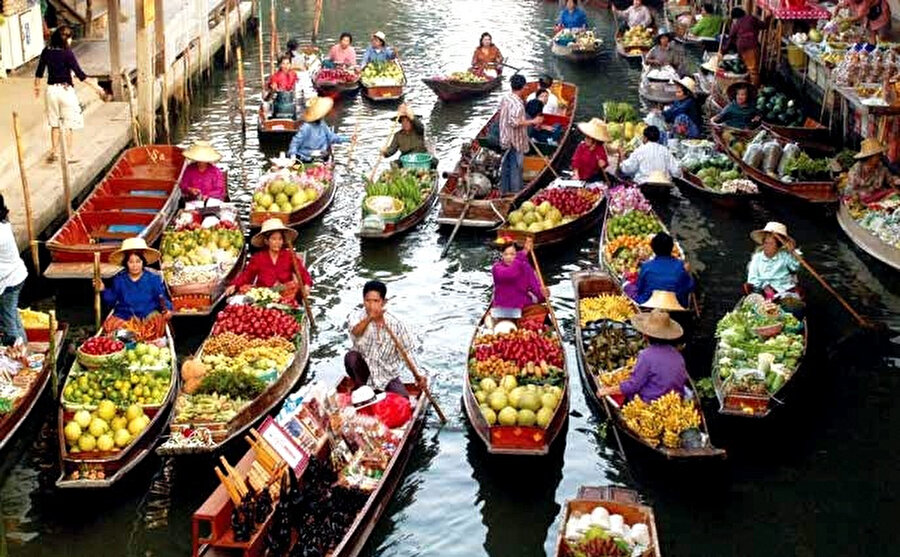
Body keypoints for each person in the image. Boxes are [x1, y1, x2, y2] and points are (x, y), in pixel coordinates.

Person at [34, 24, 107, 164]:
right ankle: (68, 155)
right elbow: (80, 75)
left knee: (54, 124)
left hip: (51, 91)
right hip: (65, 91)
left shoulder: (46, 51)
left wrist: (36, 87)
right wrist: (96, 88)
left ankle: (54, 151)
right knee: (69, 125)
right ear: (65, 40)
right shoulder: (67, 53)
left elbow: (39, 71)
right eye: (70, 38)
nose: (71, 41)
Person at [345, 280, 424, 397]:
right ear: (363, 300)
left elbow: (407, 353)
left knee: (403, 399)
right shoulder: (356, 316)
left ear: (383, 302)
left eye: (376, 301)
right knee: (351, 357)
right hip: (365, 374)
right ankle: (363, 388)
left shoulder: (395, 324)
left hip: (386, 376)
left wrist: (418, 374)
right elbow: (356, 332)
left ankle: (377, 392)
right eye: (367, 301)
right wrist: (370, 318)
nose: (371, 305)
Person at [595, 309, 687, 402]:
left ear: (646, 335)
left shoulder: (646, 355)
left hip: (652, 403)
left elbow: (633, 386)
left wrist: (607, 391)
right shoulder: (678, 355)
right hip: (676, 400)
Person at [94, 238, 172, 341]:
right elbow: (111, 299)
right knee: (111, 327)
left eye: (138, 261)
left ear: (142, 262)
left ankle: (143, 338)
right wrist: (103, 289)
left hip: (147, 317)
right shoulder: (119, 280)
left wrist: (168, 309)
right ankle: (130, 338)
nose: (135, 265)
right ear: (126, 263)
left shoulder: (153, 279)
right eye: (131, 262)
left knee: (156, 323)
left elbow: (161, 298)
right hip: (125, 317)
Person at [225, 218, 312, 299]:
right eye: (274, 239)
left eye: (280, 239)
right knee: (243, 288)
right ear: (267, 241)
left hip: (285, 292)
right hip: (264, 293)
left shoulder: (289, 256)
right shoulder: (258, 258)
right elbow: (247, 276)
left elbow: (302, 271)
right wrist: (234, 285)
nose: (277, 243)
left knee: (295, 285)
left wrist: (307, 285)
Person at [499, 74, 542, 195]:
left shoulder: (506, 98)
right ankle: (515, 192)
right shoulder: (517, 105)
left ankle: (504, 190)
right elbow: (515, 122)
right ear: (523, 87)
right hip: (515, 141)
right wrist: (533, 121)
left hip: (504, 137)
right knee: (516, 167)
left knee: (506, 167)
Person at [628, 233, 694, 309]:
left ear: (653, 248)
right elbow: (690, 286)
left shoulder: (646, 266)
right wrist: (687, 273)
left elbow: (640, 288)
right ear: (672, 247)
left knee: (627, 285)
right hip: (676, 306)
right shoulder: (680, 266)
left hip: (648, 304)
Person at [491, 237, 548, 317]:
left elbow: (535, 286)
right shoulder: (496, 268)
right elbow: (510, 274)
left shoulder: (525, 267)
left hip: (522, 306)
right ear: (502, 255)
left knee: (543, 310)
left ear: (516, 254)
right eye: (505, 254)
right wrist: (524, 252)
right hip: (502, 308)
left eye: (512, 254)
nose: (508, 257)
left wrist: (544, 294)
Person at [743, 222, 800, 299]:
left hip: (783, 289)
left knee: (791, 304)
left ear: (778, 246)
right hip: (762, 289)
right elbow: (752, 279)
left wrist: (792, 253)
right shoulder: (757, 258)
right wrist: (764, 286)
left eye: (771, 244)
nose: (767, 246)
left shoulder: (785, 256)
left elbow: (795, 268)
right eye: (765, 243)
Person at [0, 195, 28, 346]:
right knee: (12, 316)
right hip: (15, 276)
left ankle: (18, 356)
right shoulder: (4, 224)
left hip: (9, 281)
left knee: (8, 323)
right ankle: (24, 347)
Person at [287, 97, 348, 162]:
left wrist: (346, 139)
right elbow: (296, 141)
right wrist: (293, 155)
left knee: (325, 155)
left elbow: (331, 137)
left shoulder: (322, 124)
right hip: (306, 158)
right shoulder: (306, 127)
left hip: (321, 156)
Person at [724, 7, 767, 86]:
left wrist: (724, 50)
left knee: (749, 68)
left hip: (743, 47)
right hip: (751, 45)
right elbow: (763, 25)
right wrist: (767, 18)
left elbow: (731, 37)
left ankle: (751, 86)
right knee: (753, 69)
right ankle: (754, 87)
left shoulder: (736, 23)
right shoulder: (751, 18)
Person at [571, 118, 610, 182]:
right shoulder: (581, 146)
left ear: (595, 140)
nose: (585, 139)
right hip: (580, 176)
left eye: (588, 138)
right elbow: (575, 161)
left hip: (593, 177)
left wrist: (603, 163)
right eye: (586, 137)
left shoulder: (600, 149)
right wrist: (576, 174)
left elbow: (604, 163)